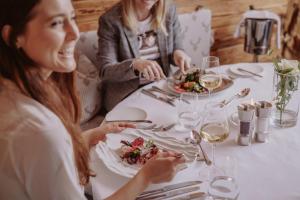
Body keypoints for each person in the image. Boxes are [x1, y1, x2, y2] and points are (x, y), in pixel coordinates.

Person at [0, 0, 185, 199]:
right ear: (13, 37)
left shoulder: (14, 95)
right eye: (55, 23)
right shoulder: (41, 131)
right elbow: (45, 141)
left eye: (72, 18)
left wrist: (85, 137)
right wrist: (146, 177)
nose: (75, 33)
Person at [97, 0, 191, 111]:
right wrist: (135, 65)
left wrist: (178, 54)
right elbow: (106, 71)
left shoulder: (169, 11)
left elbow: (177, 47)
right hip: (126, 97)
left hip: (162, 90)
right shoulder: (110, 20)